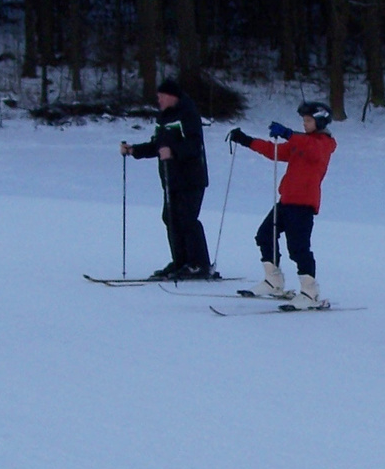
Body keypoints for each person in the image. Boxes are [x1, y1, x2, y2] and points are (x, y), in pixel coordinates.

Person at [228, 101, 337, 308]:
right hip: (286, 201)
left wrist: (288, 133)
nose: (304, 124)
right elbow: (274, 151)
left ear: (320, 121)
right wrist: (247, 141)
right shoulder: (301, 142)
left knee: (298, 248)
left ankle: (310, 292)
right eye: (303, 121)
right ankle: (273, 281)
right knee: (264, 235)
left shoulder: (324, 144)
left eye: (308, 120)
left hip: (303, 204)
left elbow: (312, 150)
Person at [120, 78, 213, 279]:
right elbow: (158, 146)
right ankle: (180, 261)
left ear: (172, 96)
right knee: (170, 218)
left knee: (187, 219)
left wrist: (173, 151)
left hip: (190, 178)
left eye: (161, 96)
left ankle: (199, 264)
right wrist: (134, 150)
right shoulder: (163, 117)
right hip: (171, 179)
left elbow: (193, 146)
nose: (158, 100)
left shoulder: (188, 114)